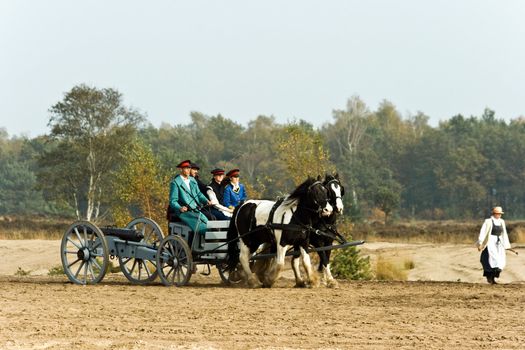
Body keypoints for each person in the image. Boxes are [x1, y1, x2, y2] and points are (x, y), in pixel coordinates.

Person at [169, 160, 211, 237]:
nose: (189, 170)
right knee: (202, 228)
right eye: (186, 168)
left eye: (189, 168)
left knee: (208, 224)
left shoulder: (192, 180)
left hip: (195, 209)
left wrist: (206, 200)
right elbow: (173, 201)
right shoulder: (175, 183)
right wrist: (180, 207)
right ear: (181, 169)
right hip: (184, 212)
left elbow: (199, 194)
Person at [477, 206, 511, 284]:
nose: (498, 215)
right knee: (488, 260)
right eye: (497, 213)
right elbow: (483, 232)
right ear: (494, 213)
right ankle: (490, 278)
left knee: (499, 260)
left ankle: (494, 278)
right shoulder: (488, 221)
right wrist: (480, 242)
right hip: (489, 242)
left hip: (499, 243)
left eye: (499, 214)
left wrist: (506, 244)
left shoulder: (502, 221)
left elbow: (504, 233)